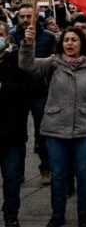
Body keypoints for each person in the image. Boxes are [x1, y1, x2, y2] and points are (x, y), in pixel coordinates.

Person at [19, 26, 86, 227]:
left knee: (84, 174)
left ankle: (83, 214)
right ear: (61, 44)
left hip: (85, 129)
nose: (70, 43)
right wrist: (27, 44)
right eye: (66, 40)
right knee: (58, 174)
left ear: (82, 44)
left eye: (74, 40)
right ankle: (57, 214)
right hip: (55, 129)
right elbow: (27, 65)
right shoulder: (52, 63)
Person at [10, 3, 56, 185]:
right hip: (17, 92)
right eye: (22, 16)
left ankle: (45, 169)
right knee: (18, 134)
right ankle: (18, 171)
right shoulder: (11, 36)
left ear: (36, 18)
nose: (25, 20)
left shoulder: (49, 37)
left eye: (29, 16)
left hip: (40, 92)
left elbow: (53, 64)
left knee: (42, 133)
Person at [0, 21, 29, 227]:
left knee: (11, 177)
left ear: (7, 38)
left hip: (12, 131)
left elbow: (27, 89)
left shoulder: (18, 60)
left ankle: (11, 215)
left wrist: (3, 87)